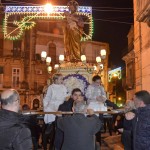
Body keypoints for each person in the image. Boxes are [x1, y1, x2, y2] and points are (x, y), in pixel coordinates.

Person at [43, 73, 68, 150]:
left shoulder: (63, 87)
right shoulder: (51, 87)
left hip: (61, 105)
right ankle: (50, 125)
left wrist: (67, 98)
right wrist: (45, 106)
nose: (62, 80)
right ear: (56, 80)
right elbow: (47, 98)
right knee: (50, 111)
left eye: (62, 79)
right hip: (53, 105)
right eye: (61, 79)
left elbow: (65, 96)